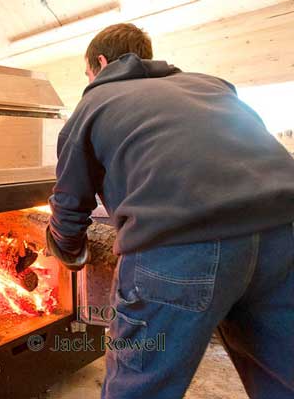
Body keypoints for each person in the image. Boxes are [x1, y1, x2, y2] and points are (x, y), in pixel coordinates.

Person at [46, 23, 294, 399]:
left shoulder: (95, 101)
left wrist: (66, 249)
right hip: (283, 231)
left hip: (180, 246)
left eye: (87, 73)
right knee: (282, 374)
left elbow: (68, 203)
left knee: (141, 388)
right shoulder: (211, 86)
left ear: (99, 62)